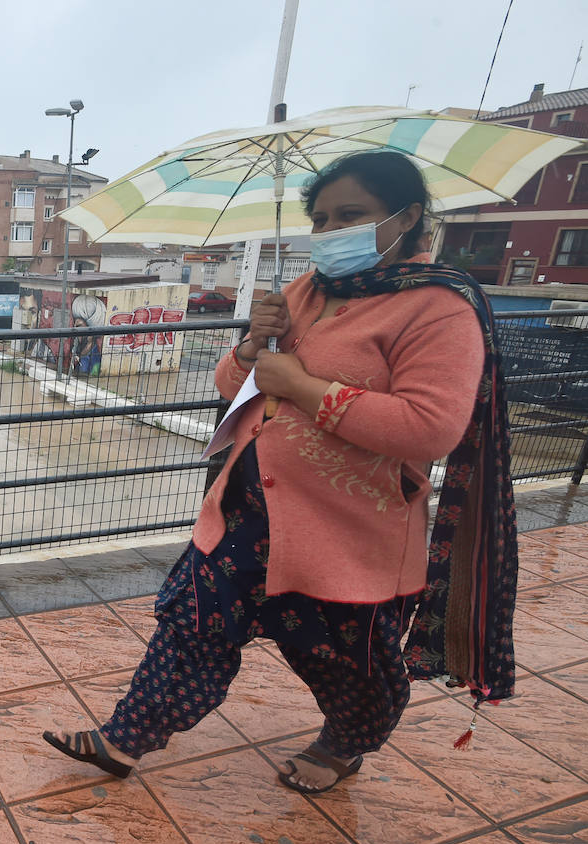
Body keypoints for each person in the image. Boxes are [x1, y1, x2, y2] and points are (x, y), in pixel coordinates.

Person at [44, 150, 519, 793]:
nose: (330, 232)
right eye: (320, 220)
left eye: (350, 215)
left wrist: (301, 385)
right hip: (245, 508)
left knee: (344, 655)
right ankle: (125, 739)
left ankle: (345, 743)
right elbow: (232, 387)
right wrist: (249, 346)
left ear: (407, 217)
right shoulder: (305, 291)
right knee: (193, 625)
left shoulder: (438, 308)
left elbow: (430, 427)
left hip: (348, 529)